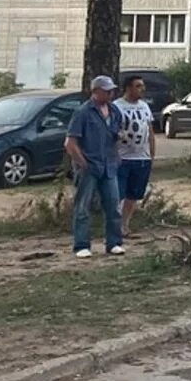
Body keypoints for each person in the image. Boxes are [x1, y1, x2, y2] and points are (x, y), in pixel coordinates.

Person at [64, 76, 124, 258]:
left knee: (113, 204)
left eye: (111, 90)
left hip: (109, 165)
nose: (110, 93)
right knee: (83, 206)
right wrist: (82, 163)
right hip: (89, 166)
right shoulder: (83, 112)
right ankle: (82, 245)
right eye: (106, 91)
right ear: (95, 91)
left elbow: (115, 135)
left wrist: (117, 150)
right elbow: (70, 142)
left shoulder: (114, 111)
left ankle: (114, 242)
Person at [114, 75, 156, 240]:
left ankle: (125, 225)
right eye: (138, 86)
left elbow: (150, 130)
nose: (142, 89)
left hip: (142, 157)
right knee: (118, 193)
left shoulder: (144, 106)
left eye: (142, 86)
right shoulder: (117, 106)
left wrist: (152, 154)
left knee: (134, 194)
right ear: (128, 88)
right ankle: (114, 225)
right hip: (122, 157)